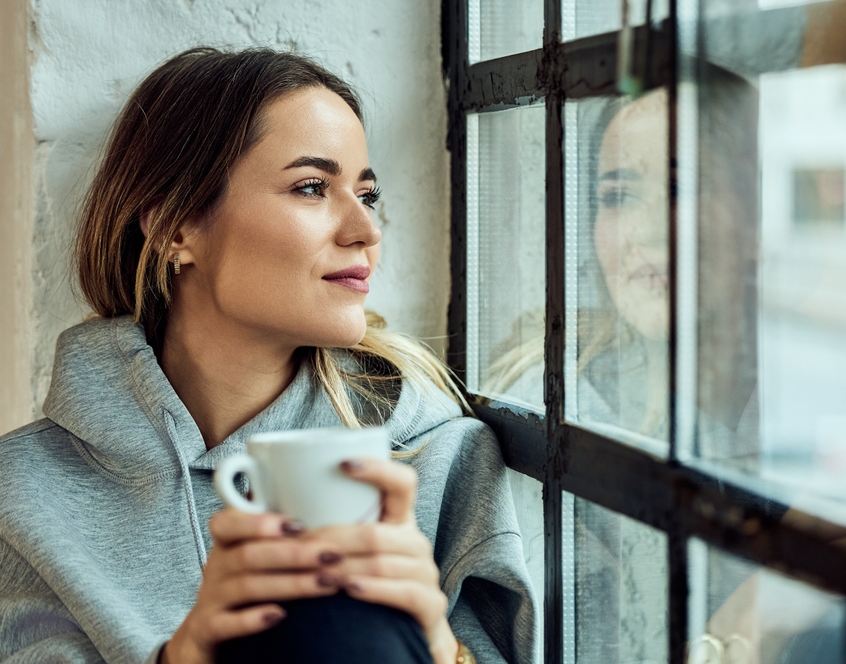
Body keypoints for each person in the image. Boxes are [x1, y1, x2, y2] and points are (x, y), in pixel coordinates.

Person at [0, 47, 536, 664]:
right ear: (176, 227)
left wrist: (439, 648)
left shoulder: (432, 455)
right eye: (312, 187)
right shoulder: (23, 495)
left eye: (366, 194)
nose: (367, 230)